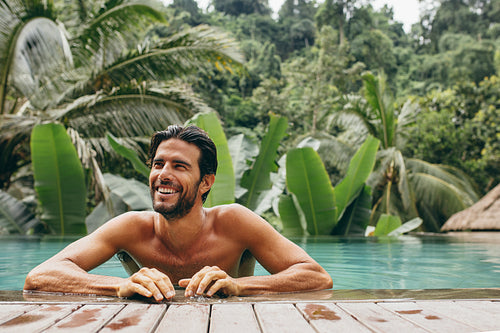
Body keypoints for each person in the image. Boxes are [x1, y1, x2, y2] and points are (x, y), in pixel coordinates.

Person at [24, 125, 332, 301]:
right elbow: (39, 277)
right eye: (158, 164)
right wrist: (118, 286)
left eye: (180, 166)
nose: (163, 174)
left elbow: (316, 277)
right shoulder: (131, 228)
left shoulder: (236, 223)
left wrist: (240, 286)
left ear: (205, 183)